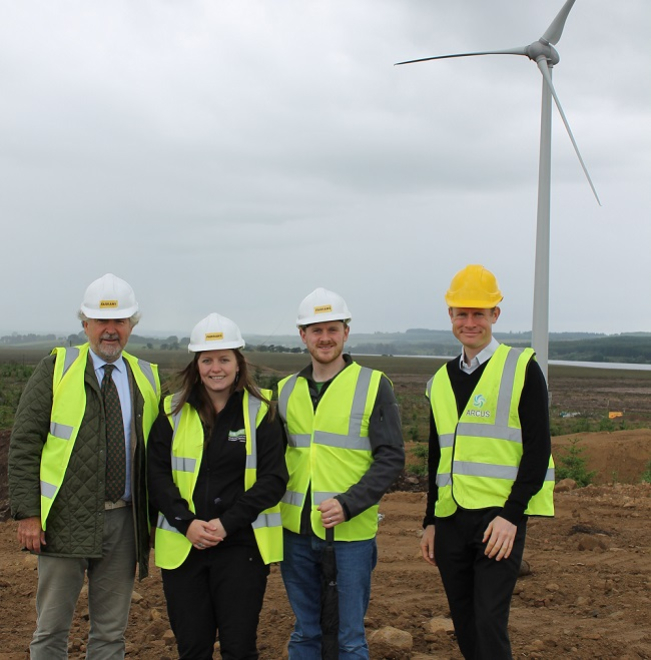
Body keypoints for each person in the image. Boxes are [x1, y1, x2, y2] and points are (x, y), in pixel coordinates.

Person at [8, 273, 161, 659]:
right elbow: (25, 443)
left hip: (124, 523)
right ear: (85, 324)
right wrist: (28, 513)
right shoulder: (57, 368)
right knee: (51, 631)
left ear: (132, 325)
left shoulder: (146, 376)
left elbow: (156, 452)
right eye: (101, 322)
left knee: (111, 634)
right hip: (63, 520)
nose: (110, 331)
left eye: (120, 322)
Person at [420, 265, 555, 660]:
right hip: (450, 521)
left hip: (499, 521)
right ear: (450, 317)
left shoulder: (522, 368)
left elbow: (537, 449)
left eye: (479, 313)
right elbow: (437, 457)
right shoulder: (440, 380)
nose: (470, 322)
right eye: (461, 313)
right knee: (464, 623)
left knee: (488, 622)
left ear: (496, 315)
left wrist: (512, 515)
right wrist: (430, 520)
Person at [147, 312, 288, 660]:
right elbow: (157, 476)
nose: (216, 368)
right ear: (196, 366)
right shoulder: (171, 411)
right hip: (185, 549)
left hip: (241, 547)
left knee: (239, 648)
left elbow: (274, 480)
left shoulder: (262, 412)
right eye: (207, 360)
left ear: (239, 363)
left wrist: (227, 524)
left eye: (224, 359)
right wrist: (187, 523)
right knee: (192, 649)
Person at [278, 287, 405, 659]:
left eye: (332, 329)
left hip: (351, 534)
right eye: (315, 330)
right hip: (296, 532)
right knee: (305, 633)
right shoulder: (286, 390)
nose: (325, 338)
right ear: (302, 335)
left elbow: (391, 458)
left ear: (346, 333)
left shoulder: (373, 385)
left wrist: (349, 504)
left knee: (349, 637)